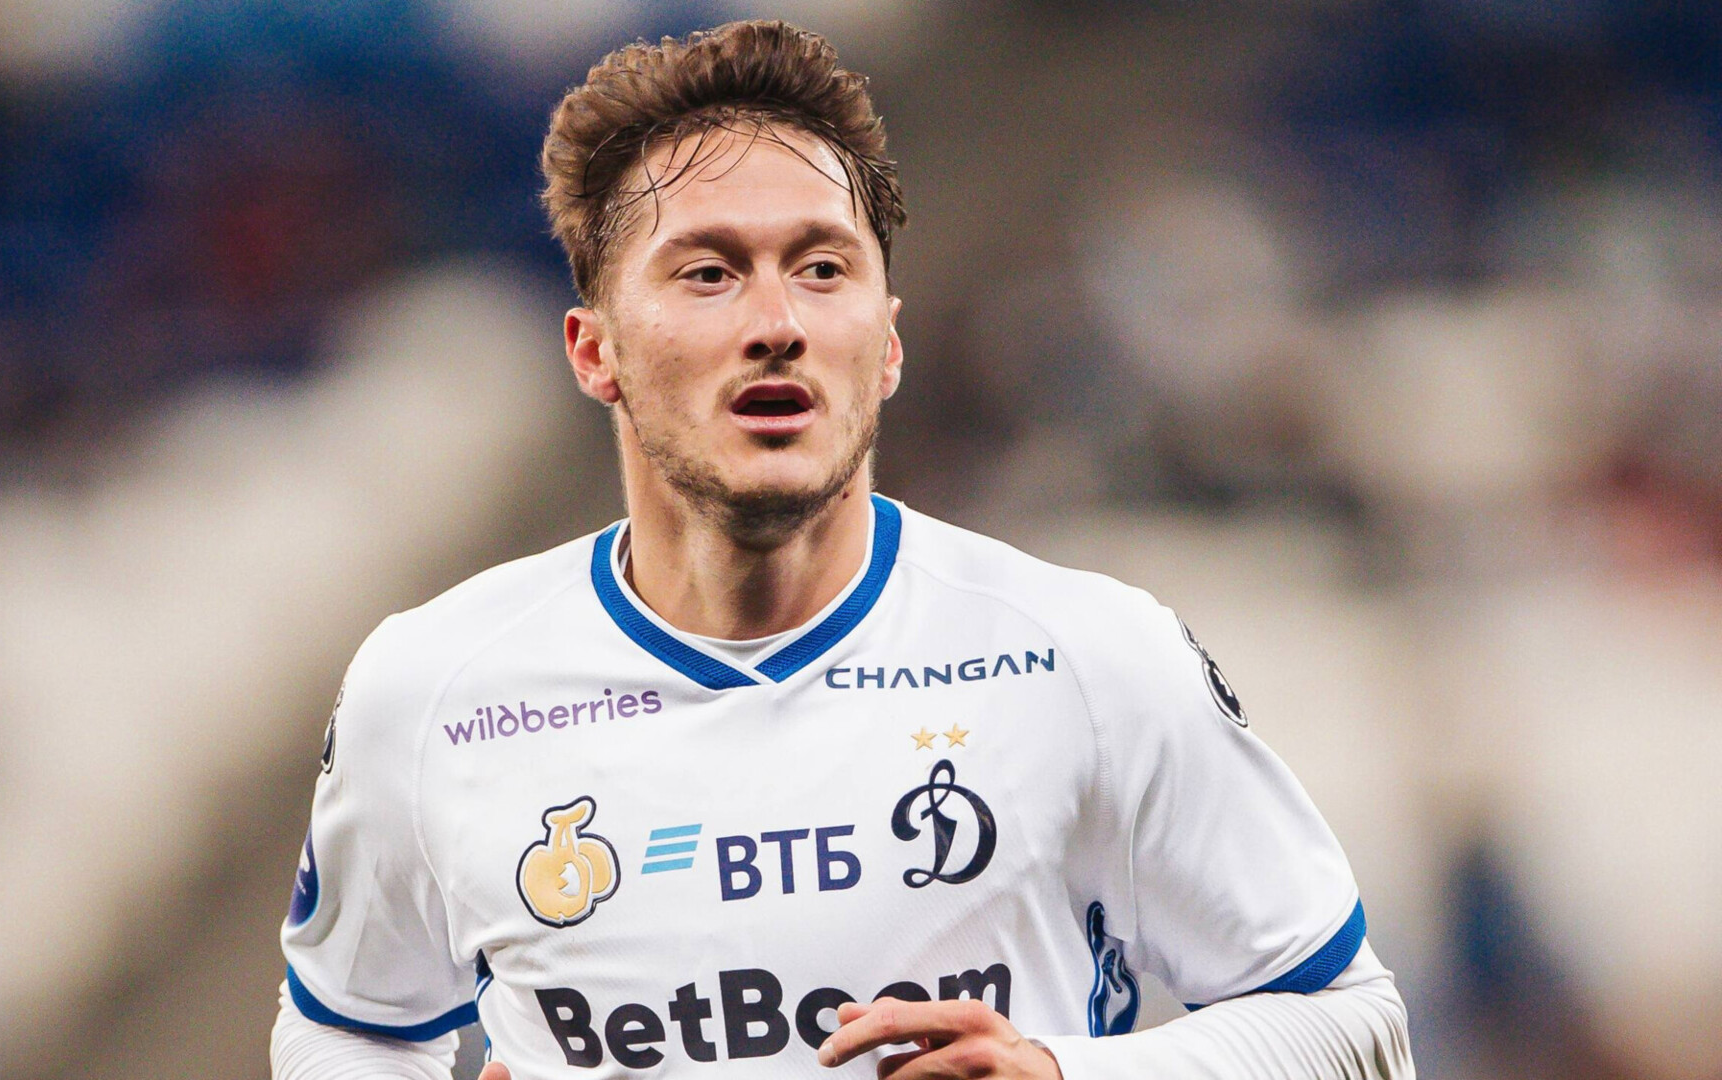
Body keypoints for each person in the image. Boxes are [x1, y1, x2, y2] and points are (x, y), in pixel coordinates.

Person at [270, 20, 1412, 1080]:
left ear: (888, 344)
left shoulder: (1089, 658)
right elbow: (344, 1026)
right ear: (594, 350)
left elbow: (1350, 1021)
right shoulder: (434, 691)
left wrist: (1066, 1072)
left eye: (822, 268)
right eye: (708, 272)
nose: (778, 323)